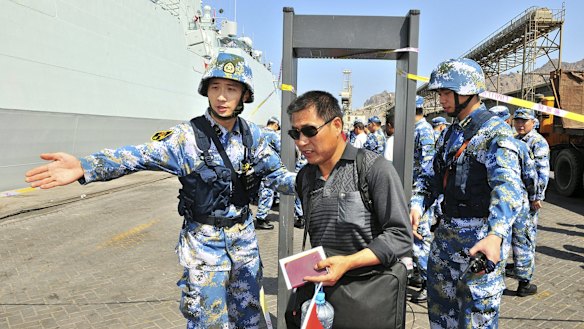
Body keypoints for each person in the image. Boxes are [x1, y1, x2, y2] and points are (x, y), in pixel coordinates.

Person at [24, 51, 296, 329]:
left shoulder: (254, 136)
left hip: (244, 245)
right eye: (215, 88)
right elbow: (137, 156)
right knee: (209, 322)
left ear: (244, 95)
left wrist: (310, 182)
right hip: (204, 248)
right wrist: (85, 166)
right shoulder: (186, 138)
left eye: (231, 89)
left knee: (250, 319)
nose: (222, 97)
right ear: (206, 91)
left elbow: (277, 176)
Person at [410, 58, 523, 328]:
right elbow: (431, 175)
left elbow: (507, 188)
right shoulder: (450, 134)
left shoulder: (496, 134)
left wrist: (496, 235)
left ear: (468, 92)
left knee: (476, 317)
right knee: (441, 315)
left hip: (479, 243)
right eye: (440, 94)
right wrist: (416, 205)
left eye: (447, 93)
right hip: (446, 240)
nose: (442, 100)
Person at [287, 90, 412, 294]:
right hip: (323, 295)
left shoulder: (374, 169)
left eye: (310, 131)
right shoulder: (305, 177)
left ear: (336, 125)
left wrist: (348, 263)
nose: (301, 142)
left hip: (369, 295)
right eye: (295, 133)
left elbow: (400, 236)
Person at [490, 105, 539, 297]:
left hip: (496, 203)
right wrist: (534, 196)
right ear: (507, 121)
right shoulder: (518, 145)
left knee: (500, 241)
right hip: (518, 202)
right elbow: (531, 177)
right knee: (523, 242)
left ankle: (497, 282)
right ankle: (524, 284)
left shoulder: (485, 144)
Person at [511, 108, 550, 296]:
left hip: (527, 199)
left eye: (523, 121)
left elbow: (542, 173)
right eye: (517, 121)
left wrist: (537, 197)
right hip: (512, 198)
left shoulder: (538, 142)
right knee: (514, 239)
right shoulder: (515, 140)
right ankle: (518, 272)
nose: (519, 124)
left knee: (524, 239)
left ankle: (524, 283)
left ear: (533, 122)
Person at [409, 95, 437, 303]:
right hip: (412, 192)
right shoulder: (416, 129)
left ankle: (430, 284)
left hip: (420, 194)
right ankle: (420, 275)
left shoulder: (424, 131)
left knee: (420, 239)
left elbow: (428, 168)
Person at [254, 116, 282, 230]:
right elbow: (281, 150)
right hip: (269, 167)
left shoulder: (258, 132)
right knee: (267, 191)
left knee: (262, 190)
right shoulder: (274, 135)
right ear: (275, 125)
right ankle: (261, 218)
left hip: (257, 166)